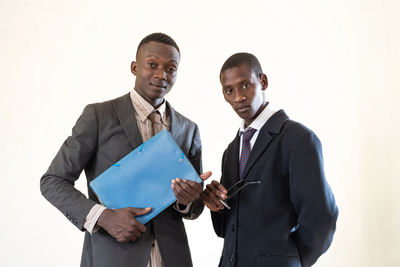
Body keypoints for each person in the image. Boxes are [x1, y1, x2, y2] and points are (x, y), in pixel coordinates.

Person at [40, 33, 211, 267]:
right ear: (134, 67)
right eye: (152, 65)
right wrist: (104, 217)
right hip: (111, 256)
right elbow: (52, 180)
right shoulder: (98, 116)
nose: (162, 75)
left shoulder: (188, 129)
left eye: (171, 69)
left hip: (173, 257)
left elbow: (194, 207)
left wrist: (188, 201)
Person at [201, 53, 338, 267]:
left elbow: (322, 218)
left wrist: (290, 260)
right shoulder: (231, 151)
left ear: (262, 81)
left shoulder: (298, 139)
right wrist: (217, 206)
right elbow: (228, 229)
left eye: (245, 85)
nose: (238, 97)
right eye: (230, 90)